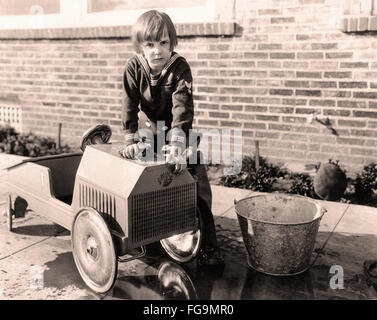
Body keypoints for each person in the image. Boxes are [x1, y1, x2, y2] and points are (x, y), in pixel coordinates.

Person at [119, 10, 224, 266]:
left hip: (179, 130)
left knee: (192, 181)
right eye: (150, 44)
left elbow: (182, 108)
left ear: (172, 42)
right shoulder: (134, 68)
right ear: (140, 46)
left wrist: (177, 145)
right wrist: (130, 139)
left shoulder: (179, 68)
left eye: (163, 43)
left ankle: (209, 245)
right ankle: (152, 235)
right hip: (150, 129)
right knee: (148, 179)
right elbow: (129, 104)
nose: (157, 51)